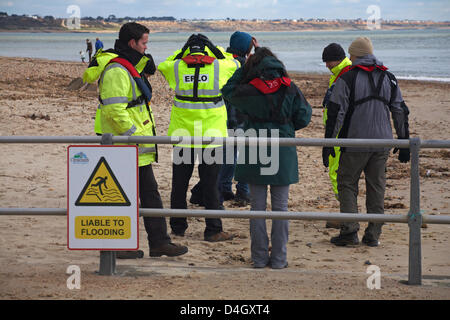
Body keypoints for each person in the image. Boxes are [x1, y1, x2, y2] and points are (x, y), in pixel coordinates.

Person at [82, 22, 188, 258]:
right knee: (121, 195)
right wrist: (134, 135)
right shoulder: (117, 71)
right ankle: (120, 246)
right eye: (144, 43)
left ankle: (159, 242)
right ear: (133, 43)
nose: (146, 47)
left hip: (134, 145)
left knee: (149, 193)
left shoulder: (129, 66)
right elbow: (114, 110)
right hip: (123, 145)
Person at [221, 47, 312, 269]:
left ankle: (259, 259)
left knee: (257, 208)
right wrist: (287, 128)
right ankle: (279, 259)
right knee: (281, 208)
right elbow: (304, 116)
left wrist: (244, 67)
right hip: (282, 146)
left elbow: (227, 90)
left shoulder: (249, 88)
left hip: (256, 144)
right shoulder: (289, 87)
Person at [323, 37, 410, 247]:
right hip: (382, 143)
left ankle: (350, 231)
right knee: (376, 187)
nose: (349, 58)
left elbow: (336, 113)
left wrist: (327, 143)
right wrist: (404, 140)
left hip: (354, 142)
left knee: (346, 184)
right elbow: (400, 110)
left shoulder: (347, 78)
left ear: (355, 55)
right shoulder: (389, 78)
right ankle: (373, 235)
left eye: (351, 55)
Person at [157, 34, 239, 242]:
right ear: (207, 51)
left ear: (187, 50)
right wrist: (214, 48)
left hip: (184, 134)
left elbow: (165, 63)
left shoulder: (176, 68)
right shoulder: (218, 67)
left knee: (179, 183)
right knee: (211, 184)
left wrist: (183, 50)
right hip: (211, 135)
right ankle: (213, 230)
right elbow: (234, 62)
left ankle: (177, 227)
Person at [189, 31, 254, 207]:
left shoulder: (222, 62)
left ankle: (221, 189)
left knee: (226, 158)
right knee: (245, 157)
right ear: (246, 48)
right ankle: (242, 192)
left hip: (220, 117)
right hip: (239, 117)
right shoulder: (242, 66)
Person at [321, 43, 352, 229]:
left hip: (340, 134)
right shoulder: (339, 73)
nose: (326, 65)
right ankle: (347, 212)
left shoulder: (344, 75)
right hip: (339, 132)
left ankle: (346, 214)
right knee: (340, 174)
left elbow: (340, 108)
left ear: (337, 59)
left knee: (337, 174)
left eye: (328, 61)